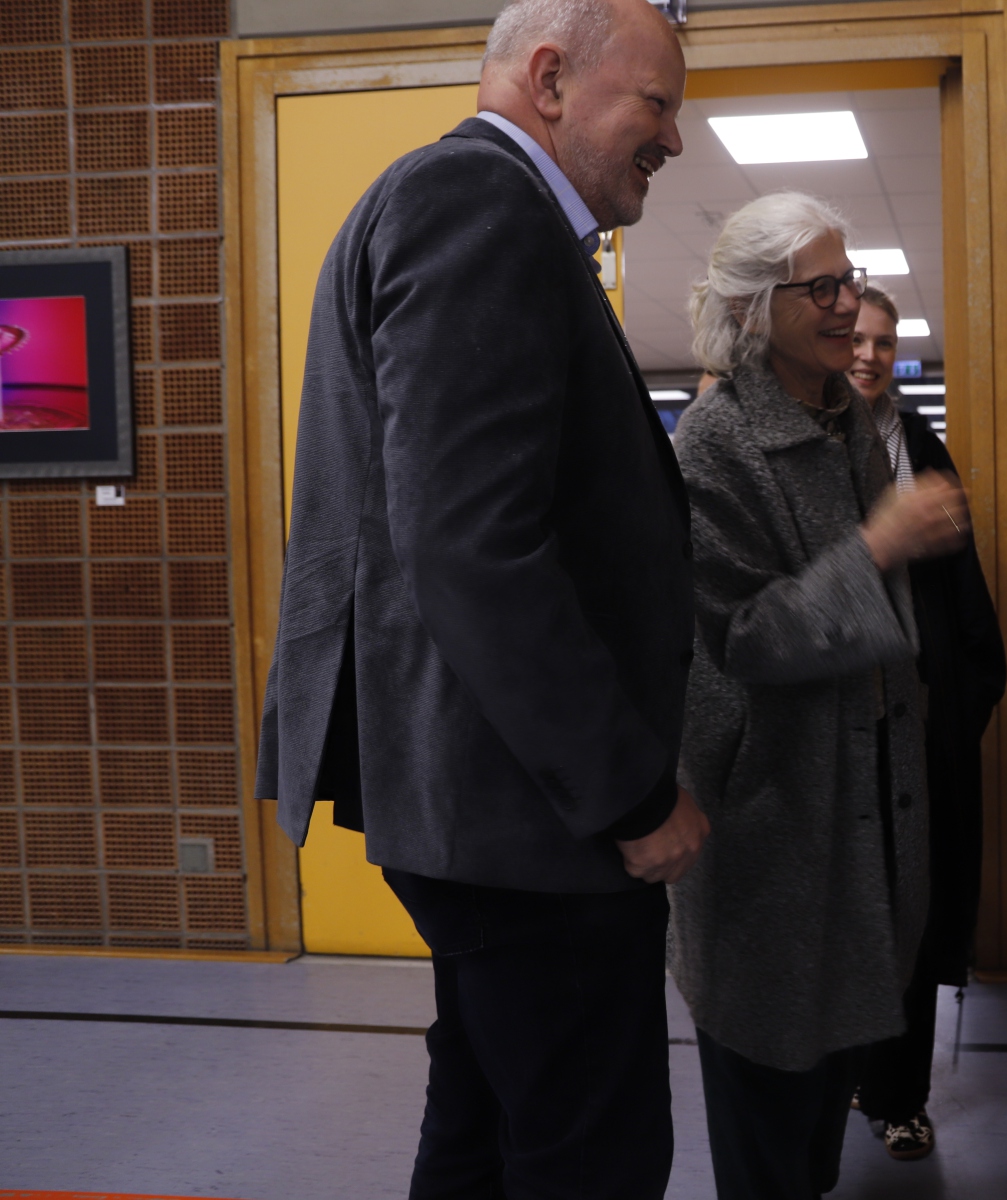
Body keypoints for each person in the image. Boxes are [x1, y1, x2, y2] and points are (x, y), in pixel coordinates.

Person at [252, 1, 707, 1195]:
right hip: (529, 818)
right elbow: (471, 544)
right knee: (589, 1154)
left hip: (494, 804)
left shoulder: (475, 208)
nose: (673, 137)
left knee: (485, 1126)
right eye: (656, 103)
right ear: (550, 79)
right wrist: (631, 792)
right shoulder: (479, 202)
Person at [670, 192, 971, 1199]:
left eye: (850, 279)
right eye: (823, 287)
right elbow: (740, 638)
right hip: (774, 834)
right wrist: (879, 546)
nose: (848, 303)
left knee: (817, 1126)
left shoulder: (843, 419)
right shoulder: (714, 443)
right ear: (753, 308)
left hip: (863, 819)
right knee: (768, 1125)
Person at [846, 285, 1007, 1162]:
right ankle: (841, 1081)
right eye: (856, 339)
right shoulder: (804, 442)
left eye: (884, 341)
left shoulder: (917, 443)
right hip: (839, 722)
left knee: (913, 914)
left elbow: (963, 592)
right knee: (846, 916)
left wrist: (960, 704)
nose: (869, 355)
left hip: (918, 716)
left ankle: (899, 1097)